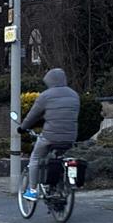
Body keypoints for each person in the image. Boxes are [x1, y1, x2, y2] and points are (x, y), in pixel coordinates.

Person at [17, 68, 80, 200]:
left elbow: (32, 116)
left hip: (50, 136)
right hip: (70, 137)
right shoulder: (74, 94)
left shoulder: (45, 96)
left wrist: (22, 127)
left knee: (35, 158)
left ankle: (33, 190)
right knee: (59, 158)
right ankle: (58, 186)